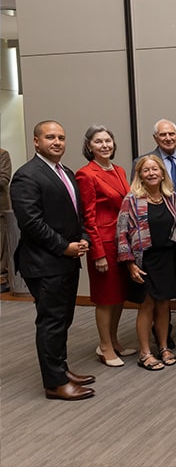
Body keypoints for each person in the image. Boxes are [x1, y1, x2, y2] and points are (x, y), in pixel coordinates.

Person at [10, 120, 95, 400]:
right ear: (36, 142)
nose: (57, 142)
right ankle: (54, 384)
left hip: (67, 259)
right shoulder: (27, 176)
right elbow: (31, 223)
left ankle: (60, 368)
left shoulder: (65, 172)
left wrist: (82, 237)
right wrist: (64, 247)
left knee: (64, 318)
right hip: (44, 262)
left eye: (61, 137)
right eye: (50, 137)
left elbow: (75, 213)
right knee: (51, 321)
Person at [117, 155, 176, 371]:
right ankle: (145, 353)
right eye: (146, 170)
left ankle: (164, 347)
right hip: (144, 260)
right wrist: (129, 263)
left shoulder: (171, 197)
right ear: (140, 175)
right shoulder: (131, 199)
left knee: (165, 304)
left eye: (155, 169)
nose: (151, 173)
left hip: (168, 258)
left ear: (162, 173)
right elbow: (121, 233)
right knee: (147, 305)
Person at [135, 119, 176, 344]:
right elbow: (137, 200)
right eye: (163, 135)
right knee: (158, 288)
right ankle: (162, 331)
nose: (168, 138)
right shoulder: (144, 161)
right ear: (155, 138)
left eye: (171, 134)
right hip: (156, 232)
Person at [76, 125, 135, 367]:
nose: (104, 145)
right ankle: (104, 346)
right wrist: (97, 253)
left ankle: (114, 340)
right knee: (105, 297)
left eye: (108, 141)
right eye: (98, 142)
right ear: (89, 146)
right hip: (103, 243)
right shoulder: (86, 174)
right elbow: (88, 218)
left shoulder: (120, 170)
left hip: (122, 242)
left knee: (119, 295)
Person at [0, 147, 11, 293]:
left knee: (0, 248)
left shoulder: (2, 154)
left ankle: (2, 280)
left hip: (0, 210)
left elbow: (4, 179)